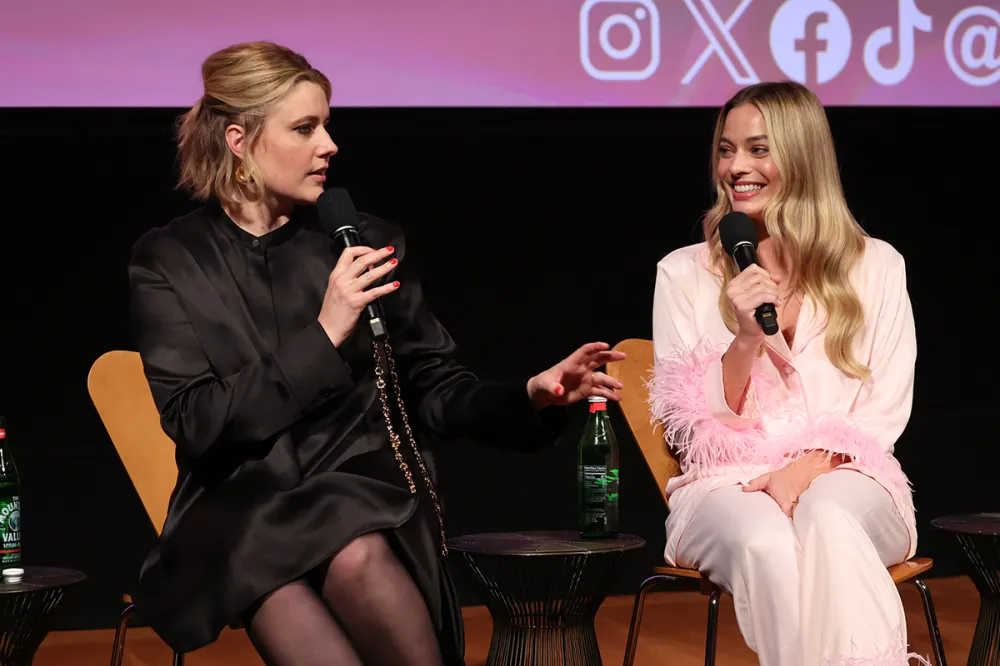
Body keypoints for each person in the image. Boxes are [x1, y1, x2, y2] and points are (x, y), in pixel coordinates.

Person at [127, 41, 625, 666]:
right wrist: (324, 333)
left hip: (360, 494)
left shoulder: (365, 242)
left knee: (356, 548)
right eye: (305, 128)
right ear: (239, 141)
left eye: (326, 125)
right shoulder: (170, 260)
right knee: (278, 576)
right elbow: (197, 422)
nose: (329, 145)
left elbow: (433, 388)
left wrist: (530, 396)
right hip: (240, 507)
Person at [648, 81, 926, 666]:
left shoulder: (876, 265)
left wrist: (806, 468)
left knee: (828, 515)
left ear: (802, 156)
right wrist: (746, 338)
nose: (735, 168)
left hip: (851, 474)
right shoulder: (683, 274)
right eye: (726, 150)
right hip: (728, 486)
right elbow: (688, 429)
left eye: (758, 150)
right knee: (767, 539)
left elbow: (883, 410)